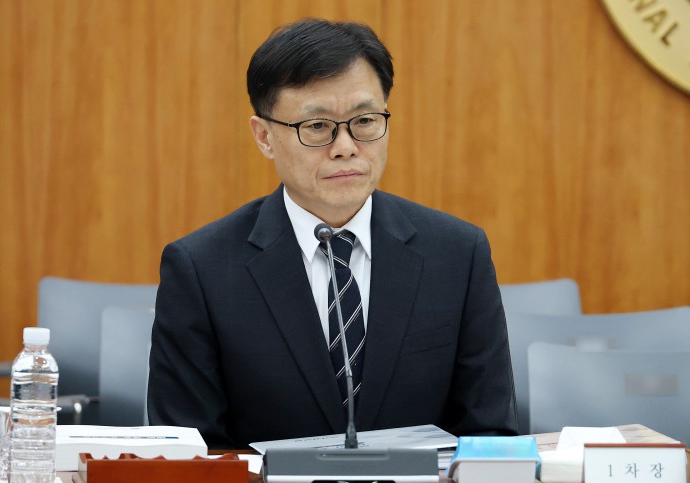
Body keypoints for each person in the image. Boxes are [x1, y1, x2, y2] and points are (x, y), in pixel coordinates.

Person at [148, 18, 518, 449]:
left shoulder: (457, 254)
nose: (345, 147)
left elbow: (490, 435)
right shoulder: (202, 270)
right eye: (317, 126)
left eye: (365, 120)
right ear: (264, 137)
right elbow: (191, 453)